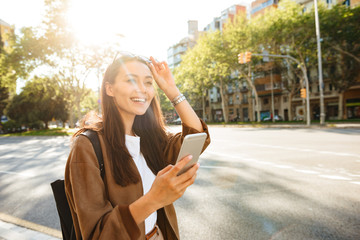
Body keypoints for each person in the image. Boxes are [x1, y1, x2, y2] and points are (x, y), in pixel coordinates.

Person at [64, 52, 210, 240]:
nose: (142, 89)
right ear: (110, 89)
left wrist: (171, 90)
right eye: (131, 80)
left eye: (148, 82)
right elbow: (98, 235)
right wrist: (153, 199)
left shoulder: (150, 139)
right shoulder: (87, 145)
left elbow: (196, 137)